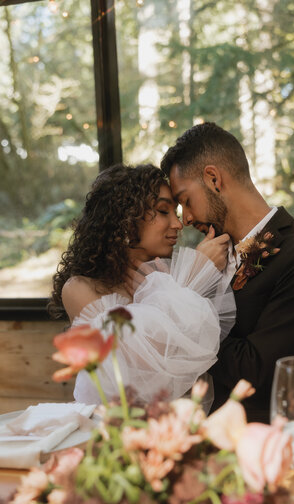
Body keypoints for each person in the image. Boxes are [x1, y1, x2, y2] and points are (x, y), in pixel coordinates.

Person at [160, 122, 294, 423]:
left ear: (214, 179)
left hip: (274, 440)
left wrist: (187, 314)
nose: (187, 219)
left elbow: (253, 371)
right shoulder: (212, 255)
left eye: (185, 201)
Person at [48, 163, 235, 406]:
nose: (178, 224)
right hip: (114, 429)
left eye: (176, 213)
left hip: (176, 426)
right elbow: (139, 367)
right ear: (126, 219)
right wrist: (194, 276)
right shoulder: (81, 288)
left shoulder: (171, 276)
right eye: (163, 211)